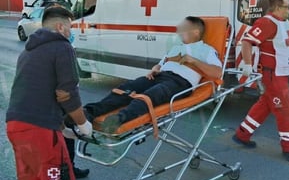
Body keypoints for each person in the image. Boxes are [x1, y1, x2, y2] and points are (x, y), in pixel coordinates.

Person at [6, 6, 93, 180]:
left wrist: (61, 126)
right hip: (40, 131)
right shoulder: (62, 47)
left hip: (16, 126)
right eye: (70, 28)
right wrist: (83, 125)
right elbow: (67, 94)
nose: (70, 33)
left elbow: (36, 92)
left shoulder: (28, 51)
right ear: (60, 26)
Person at [84, 16, 222, 133]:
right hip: (159, 76)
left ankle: (119, 119)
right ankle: (90, 111)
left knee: (150, 95)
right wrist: (155, 68)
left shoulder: (206, 50)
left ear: (196, 32)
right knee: (126, 88)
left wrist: (194, 61)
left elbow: (218, 72)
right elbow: (161, 64)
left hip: (179, 82)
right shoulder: (176, 48)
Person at [232, 0, 289, 163]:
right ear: (277, 8)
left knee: (265, 104)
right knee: (284, 110)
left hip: (281, 72)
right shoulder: (266, 23)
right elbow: (247, 42)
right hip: (272, 74)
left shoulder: (284, 23)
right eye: (286, 7)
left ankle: (242, 134)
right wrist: (248, 64)